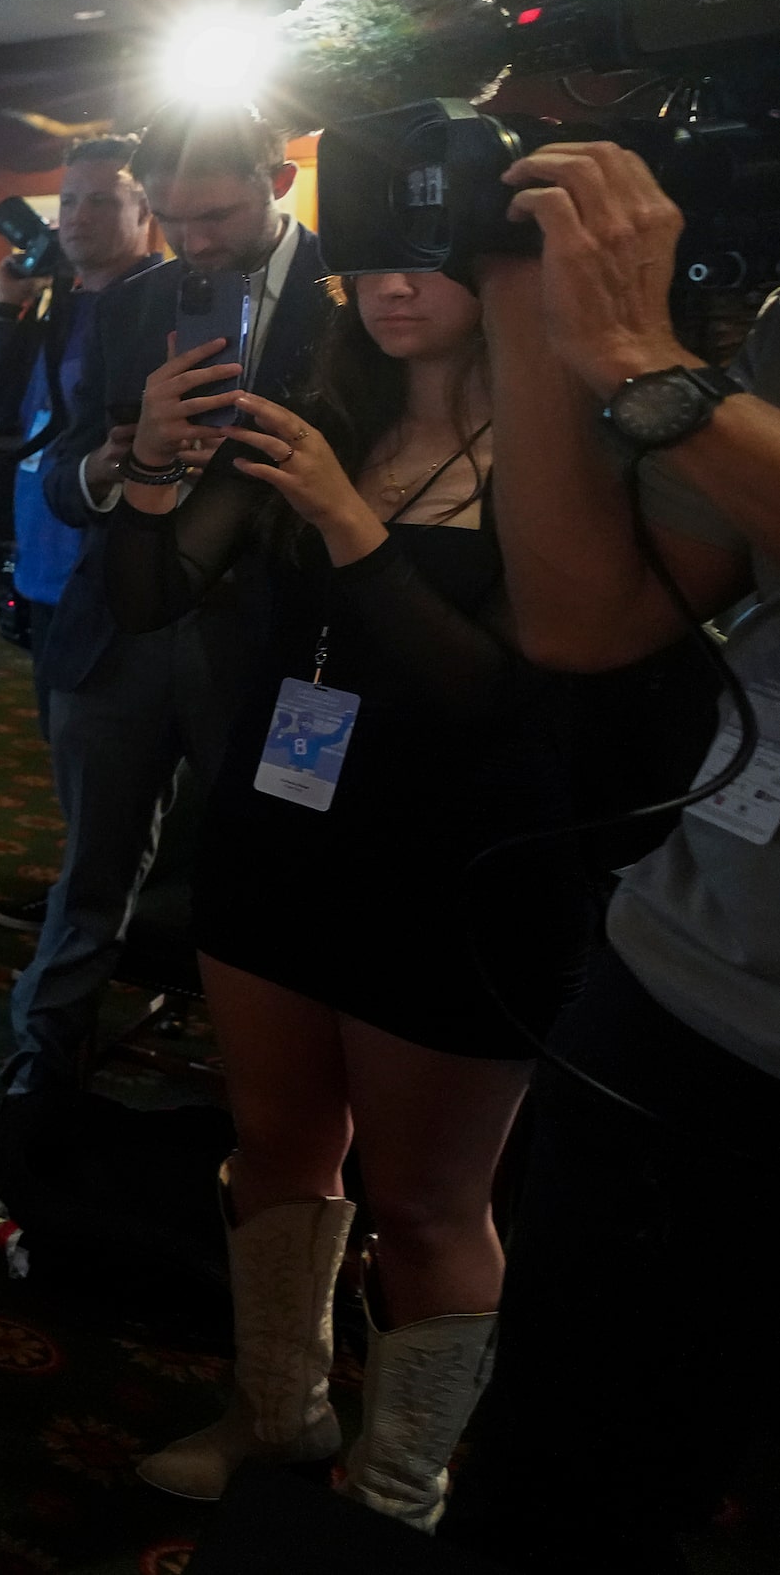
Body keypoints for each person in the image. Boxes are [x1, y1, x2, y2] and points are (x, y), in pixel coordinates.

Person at [107, 263, 587, 1528]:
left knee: (428, 1203)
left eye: (426, 252)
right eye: (370, 254)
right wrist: (153, 464)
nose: (390, 283)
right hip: (279, 836)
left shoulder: (558, 449)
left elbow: (489, 692)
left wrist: (347, 522)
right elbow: (147, 597)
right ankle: (277, 1413)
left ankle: (395, 1492)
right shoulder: (318, 413)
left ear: (505, 266)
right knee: (278, 1147)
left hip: (461, 866)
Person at [440, 148, 780, 1570]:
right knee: (543, 1490)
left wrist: (643, 358)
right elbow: (586, 617)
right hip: (675, 984)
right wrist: (524, 290)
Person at [0, 110, 323, 1077]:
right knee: (91, 873)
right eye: (175, 218)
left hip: (273, 641)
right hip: (116, 634)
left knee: (265, 873)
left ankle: (268, 1089)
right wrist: (112, 466)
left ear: (275, 181)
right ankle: (38, 1077)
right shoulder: (136, 298)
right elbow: (58, 468)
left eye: (216, 214)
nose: (196, 241)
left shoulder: (355, 295)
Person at [0, 139, 162, 944]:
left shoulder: (161, 305)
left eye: (101, 202)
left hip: (115, 572)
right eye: (67, 204)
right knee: (68, 755)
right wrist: (6, 309)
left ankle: (99, 917)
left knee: (109, 769)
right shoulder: (60, 302)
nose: (77, 219)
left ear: (146, 213)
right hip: (47, 562)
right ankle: (81, 899)